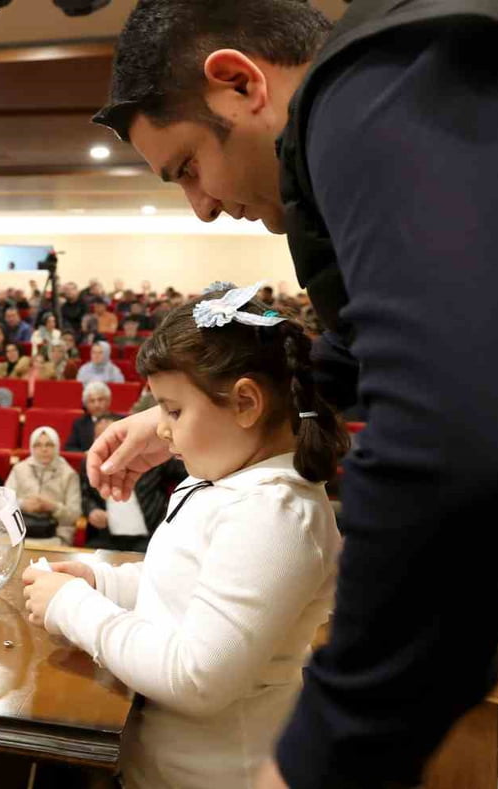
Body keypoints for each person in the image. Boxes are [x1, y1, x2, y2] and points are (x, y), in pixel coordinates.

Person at [86, 0, 498, 787]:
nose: (201, 205)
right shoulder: (377, 114)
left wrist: (330, 752)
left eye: (185, 168)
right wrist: (171, 415)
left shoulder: (385, 82)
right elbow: (355, 360)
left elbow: (455, 440)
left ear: (241, 83)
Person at [24, 287, 345, 788]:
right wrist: (101, 583)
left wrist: (74, 607)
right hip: (153, 764)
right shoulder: (219, 478)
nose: (162, 431)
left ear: (245, 403)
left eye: (173, 411)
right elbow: (178, 588)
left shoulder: (277, 514)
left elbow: (198, 678)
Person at [78, 416, 184, 553]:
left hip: (148, 534)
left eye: (109, 439)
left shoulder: (153, 458)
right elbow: (86, 495)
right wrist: (92, 510)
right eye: (99, 439)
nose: (106, 445)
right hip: (107, 536)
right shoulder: (90, 462)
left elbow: (188, 474)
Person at [5, 426, 81, 546]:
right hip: (21, 531)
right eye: (38, 445)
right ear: (32, 447)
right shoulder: (19, 469)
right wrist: (22, 504)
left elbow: (73, 515)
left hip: (55, 534)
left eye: (49, 445)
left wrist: (52, 507)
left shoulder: (69, 474)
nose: (44, 449)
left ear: (57, 446)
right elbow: (4, 502)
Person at [66, 380, 114, 452]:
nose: (96, 405)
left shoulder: (120, 421)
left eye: (100, 400)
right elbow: (69, 448)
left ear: (108, 401)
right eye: (92, 401)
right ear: (86, 405)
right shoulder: (80, 424)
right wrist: (85, 454)